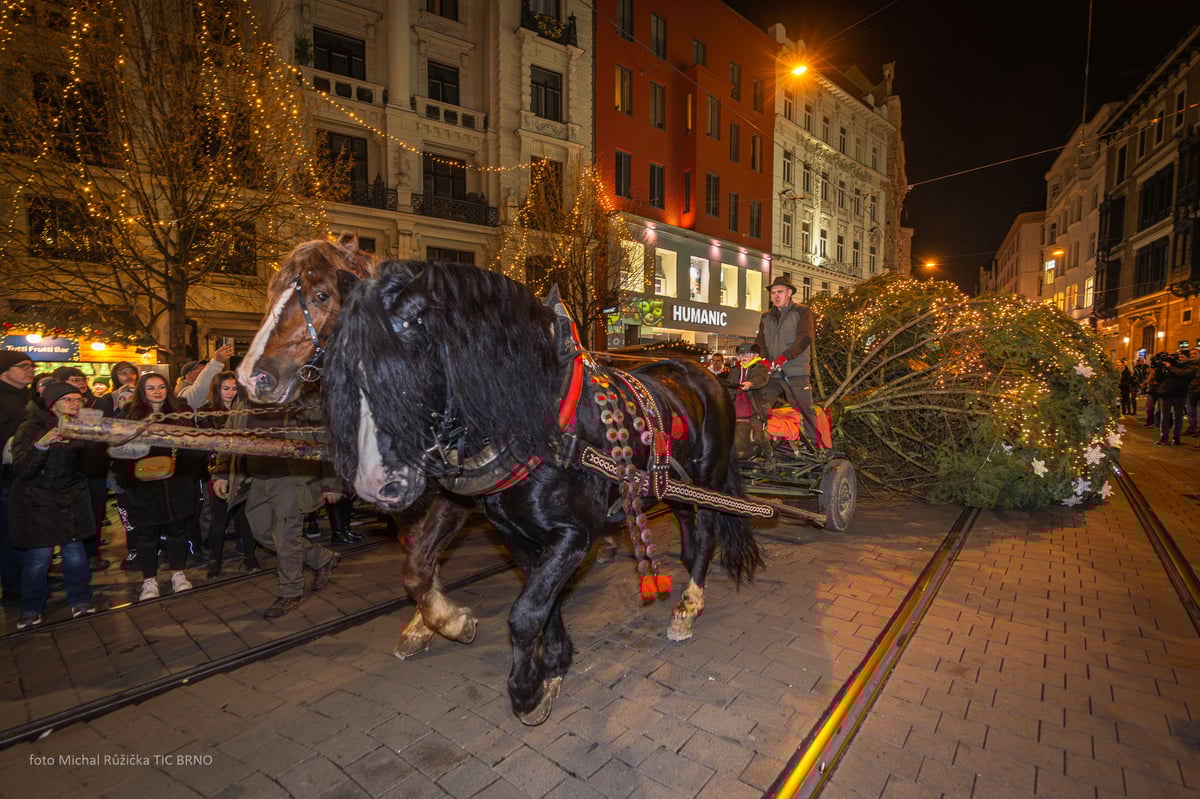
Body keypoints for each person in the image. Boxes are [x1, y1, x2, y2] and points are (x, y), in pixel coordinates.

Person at [212, 401, 340, 619]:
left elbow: (326, 442)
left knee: (285, 536)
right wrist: (221, 473)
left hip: (291, 478)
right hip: (257, 479)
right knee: (261, 531)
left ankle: (291, 591)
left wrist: (331, 483)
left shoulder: (301, 403)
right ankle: (320, 557)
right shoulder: (243, 404)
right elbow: (228, 439)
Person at [8, 381, 96, 628]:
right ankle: (31, 607)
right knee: (38, 558)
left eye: (78, 400)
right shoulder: (30, 428)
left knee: (75, 554)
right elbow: (23, 470)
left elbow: (91, 468)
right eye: (68, 400)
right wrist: (42, 445)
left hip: (71, 498)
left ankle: (80, 600)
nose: (74, 404)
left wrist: (94, 442)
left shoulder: (81, 426)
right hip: (37, 501)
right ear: (52, 405)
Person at [112, 373, 206, 600]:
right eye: (151, 387)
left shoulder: (180, 415)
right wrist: (129, 480)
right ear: (142, 390)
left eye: (162, 387)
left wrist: (188, 474)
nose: (157, 391)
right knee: (146, 535)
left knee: (177, 532)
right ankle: (149, 580)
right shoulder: (130, 416)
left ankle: (178, 574)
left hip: (176, 485)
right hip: (144, 487)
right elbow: (118, 453)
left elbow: (194, 449)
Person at [199, 371, 258, 577]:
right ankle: (215, 560)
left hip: (243, 471)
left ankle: (250, 557)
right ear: (217, 390)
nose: (231, 393)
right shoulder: (206, 412)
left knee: (244, 518)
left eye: (234, 388)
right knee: (219, 519)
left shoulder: (246, 409)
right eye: (226, 388)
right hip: (219, 469)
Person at [51, 367, 110, 571]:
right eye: (75, 380)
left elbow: (99, 440)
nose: (81, 383)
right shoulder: (52, 410)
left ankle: (92, 552)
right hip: (64, 474)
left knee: (94, 513)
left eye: (82, 379)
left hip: (93, 470)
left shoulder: (95, 405)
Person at [754, 275, 819, 442]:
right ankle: (761, 443)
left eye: (780, 292)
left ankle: (813, 446)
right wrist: (764, 359)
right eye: (773, 292)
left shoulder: (802, 312)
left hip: (795, 371)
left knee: (804, 409)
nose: (776, 296)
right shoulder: (766, 317)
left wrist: (784, 357)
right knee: (759, 405)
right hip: (771, 373)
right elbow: (760, 340)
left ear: (789, 292)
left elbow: (804, 338)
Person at [0, 351, 37, 607]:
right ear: (5, 370)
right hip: (7, 477)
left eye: (32, 366)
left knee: (30, 527)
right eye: (23, 366)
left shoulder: (27, 397)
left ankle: (32, 577)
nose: (29, 369)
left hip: (30, 473)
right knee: (10, 530)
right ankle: (14, 585)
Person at [724, 343, 770, 460]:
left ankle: (769, 456)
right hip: (736, 405)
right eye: (741, 354)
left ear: (756, 355)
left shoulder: (760, 368)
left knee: (758, 435)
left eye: (747, 354)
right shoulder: (735, 370)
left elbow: (761, 379)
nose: (743, 356)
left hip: (754, 406)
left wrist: (751, 383)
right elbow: (729, 385)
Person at [176, 344, 234, 409]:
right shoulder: (184, 394)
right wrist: (217, 362)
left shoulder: (212, 390)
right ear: (189, 375)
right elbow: (200, 388)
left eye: (205, 368)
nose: (204, 370)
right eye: (201, 369)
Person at [1155, 350, 1195, 446]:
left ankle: (1176, 438)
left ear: (1187, 358)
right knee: (1164, 416)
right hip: (1167, 394)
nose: (1180, 359)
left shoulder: (1191, 366)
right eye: (1179, 357)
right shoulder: (1172, 366)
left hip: (1180, 394)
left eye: (1182, 357)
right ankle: (1163, 438)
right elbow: (1160, 378)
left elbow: (1182, 373)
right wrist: (1161, 368)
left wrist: (1170, 367)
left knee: (1178, 417)